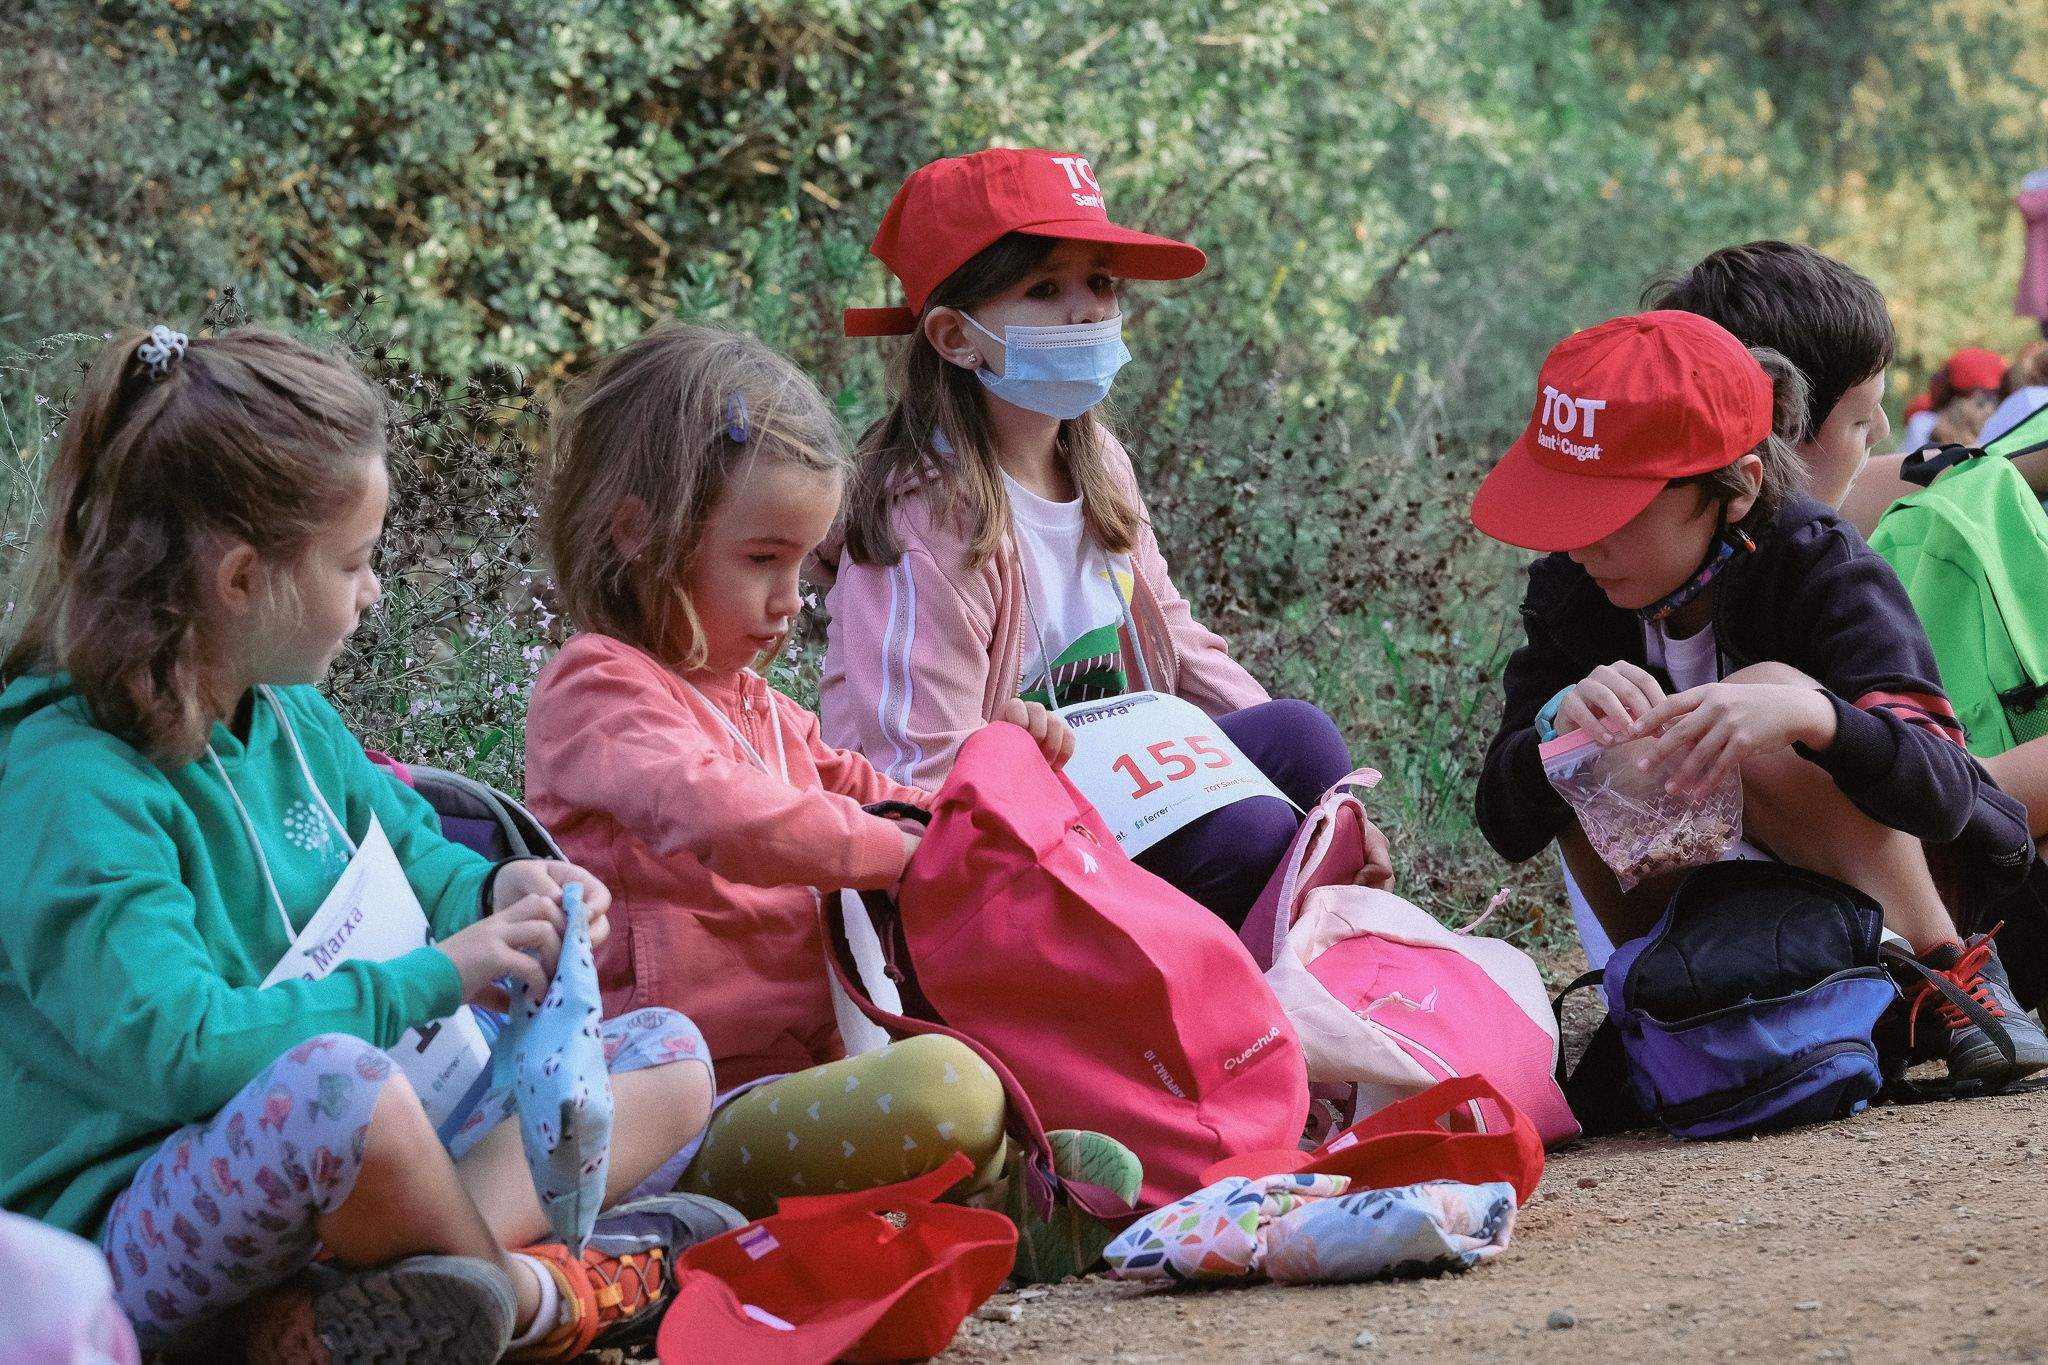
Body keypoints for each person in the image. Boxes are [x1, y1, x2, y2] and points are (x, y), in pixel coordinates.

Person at [0, 326, 722, 1362]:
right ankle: (534, 1299)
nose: (372, 591)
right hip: (129, 1226)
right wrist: (432, 979)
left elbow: (414, 861)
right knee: (341, 1087)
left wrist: (498, 896)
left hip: (368, 1158)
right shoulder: (69, 784)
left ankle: (366, 1309)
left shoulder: (290, 715)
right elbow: (180, 1052)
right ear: (243, 580)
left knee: (668, 1055)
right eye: (354, 561)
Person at [522, 321, 1136, 1282]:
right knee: (947, 1092)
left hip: (798, 1081)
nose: (787, 601)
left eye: (799, 564)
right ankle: (964, 1201)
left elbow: (880, 792)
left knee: (1014, 1077)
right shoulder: (597, 690)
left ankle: (995, 1206)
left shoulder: (765, 710)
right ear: (639, 532)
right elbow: (723, 813)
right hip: (683, 1112)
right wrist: (894, 853)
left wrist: (991, 786)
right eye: (760, 558)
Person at [1471, 310, 2048, 1090]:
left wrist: (1818, 719)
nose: (1580, 541)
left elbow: (1951, 792)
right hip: (1722, 922)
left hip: (1909, 901)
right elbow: (1505, 821)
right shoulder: (1575, 590)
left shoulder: (1820, 564)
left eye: (1612, 510)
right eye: (1568, 506)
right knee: (1582, 746)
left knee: (1763, 697)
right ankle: (1670, 1000)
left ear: (1736, 487)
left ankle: (1951, 982)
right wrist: (1558, 725)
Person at [819, 148, 1378, 928]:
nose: (1088, 311)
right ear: (955, 336)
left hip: (1106, 783)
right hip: (994, 849)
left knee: (1304, 747)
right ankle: (1212, 1009)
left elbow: (1178, 640)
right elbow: (915, 774)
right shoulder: (927, 522)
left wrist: (1332, 813)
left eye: (1101, 282)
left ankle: (1270, 968)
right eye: (1045, 288)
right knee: (1251, 833)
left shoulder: (1097, 459)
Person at [1843, 348, 2010, 535]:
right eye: (1981, 402)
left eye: (1994, 403)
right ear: (1957, 399)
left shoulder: (1984, 436)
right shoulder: (1923, 423)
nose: (1988, 411)